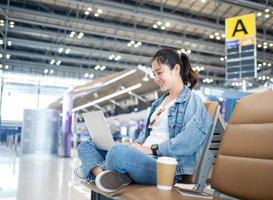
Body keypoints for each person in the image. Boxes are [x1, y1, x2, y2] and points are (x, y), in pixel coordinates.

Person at [76, 48, 212, 192]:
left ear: (176, 69)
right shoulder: (158, 104)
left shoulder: (192, 100)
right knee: (85, 146)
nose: (156, 78)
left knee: (117, 152)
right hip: (141, 158)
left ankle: (99, 170)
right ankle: (104, 176)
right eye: (154, 74)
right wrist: (134, 145)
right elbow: (145, 136)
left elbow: (188, 142)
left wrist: (150, 150)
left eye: (159, 72)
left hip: (163, 166)